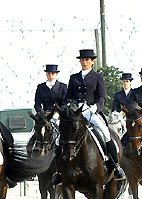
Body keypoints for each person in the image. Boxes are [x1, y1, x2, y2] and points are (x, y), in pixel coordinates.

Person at [53, 49, 125, 185]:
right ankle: (59, 171)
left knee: (106, 133)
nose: (84, 62)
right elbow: (69, 96)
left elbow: (102, 97)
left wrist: (96, 107)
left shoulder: (98, 77)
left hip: (91, 110)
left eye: (87, 60)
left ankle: (116, 166)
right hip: (76, 112)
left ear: (92, 61)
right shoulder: (74, 77)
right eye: (82, 60)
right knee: (58, 139)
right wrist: (69, 104)